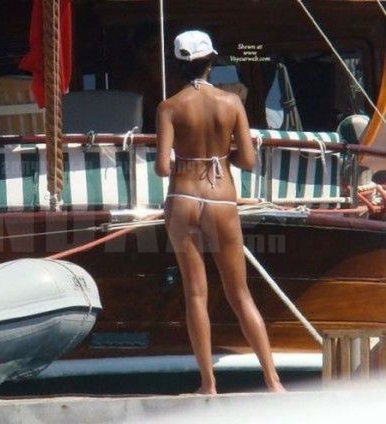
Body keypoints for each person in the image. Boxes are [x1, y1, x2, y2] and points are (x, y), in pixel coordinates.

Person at [155, 30, 285, 394]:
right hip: (222, 198)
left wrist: (187, 159)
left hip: (183, 197)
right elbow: (249, 160)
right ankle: (273, 382)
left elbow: (163, 168)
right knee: (240, 294)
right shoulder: (231, 103)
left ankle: (208, 384)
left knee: (196, 294)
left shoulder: (169, 107)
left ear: (178, 65)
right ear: (211, 62)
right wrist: (220, 156)